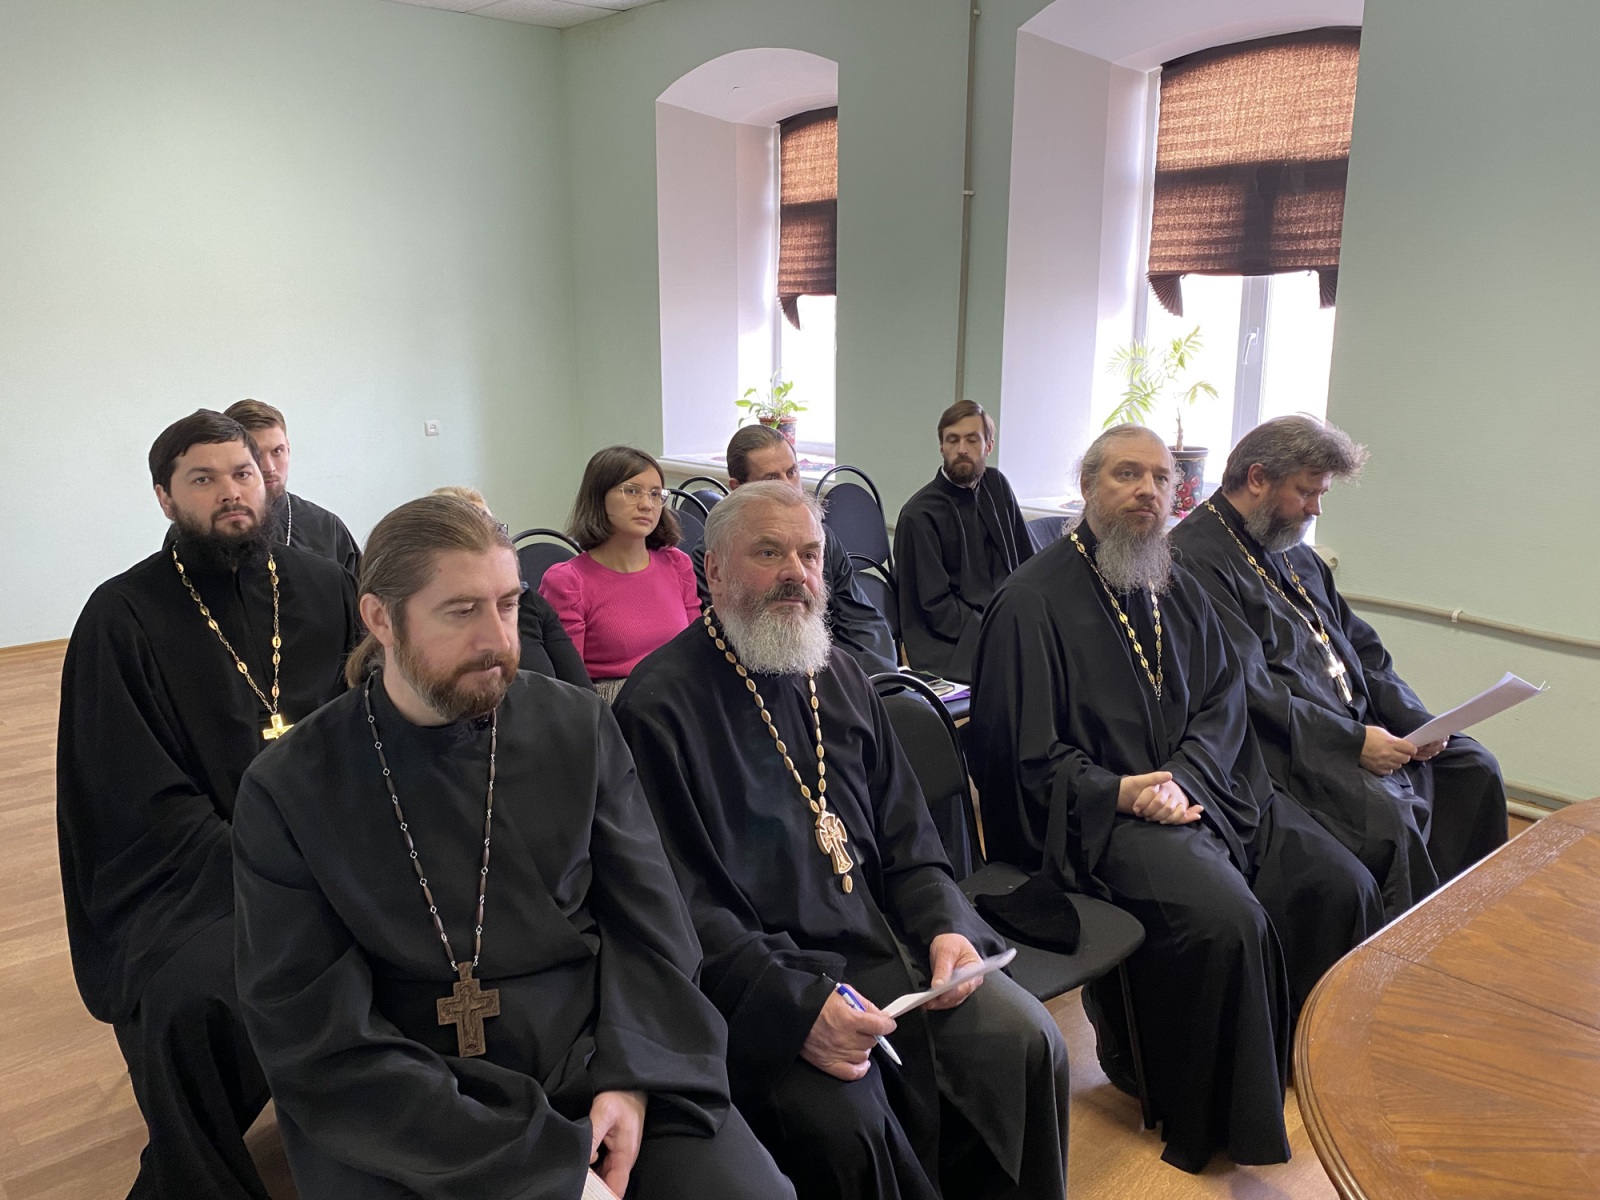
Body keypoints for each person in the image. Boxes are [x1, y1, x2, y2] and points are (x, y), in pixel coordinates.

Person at [232, 495, 793, 1200]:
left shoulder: (576, 724)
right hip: (412, 1106)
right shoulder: (289, 787)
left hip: (597, 1058)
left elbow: (653, 924)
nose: (497, 639)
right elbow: (312, 1030)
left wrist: (633, 1079)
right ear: (380, 619)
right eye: (461, 611)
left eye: (507, 604)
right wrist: (541, 1168)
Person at [613, 482, 1069, 1200]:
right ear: (715, 570)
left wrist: (947, 928)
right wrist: (793, 1008)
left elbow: (912, 839)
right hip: (766, 984)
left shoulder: (842, 674)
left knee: (1026, 1040)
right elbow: (683, 908)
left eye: (810, 554)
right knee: (845, 1127)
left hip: (889, 950)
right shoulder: (658, 705)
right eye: (769, 553)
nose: (796, 573)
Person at [967, 425, 1381, 1174]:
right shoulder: (1030, 602)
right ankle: (1212, 1109)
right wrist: (1122, 792)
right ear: (1088, 486)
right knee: (1227, 921)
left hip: (1209, 786)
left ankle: (1299, 1065)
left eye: (1160, 478)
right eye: (1127, 475)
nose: (1148, 492)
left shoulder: (1175, 582)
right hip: (1101, 818)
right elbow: (1016, 756)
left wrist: (1185, 776)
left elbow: (1225, 700)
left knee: (1339, 881)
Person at [56, 410, 359, 1199]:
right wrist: (269, 871)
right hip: (196, 878)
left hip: (343, 853)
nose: (231, 491)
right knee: (189, 999)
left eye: (243, 473)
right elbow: (134, 794)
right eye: (204, 478)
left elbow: (368, 736)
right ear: (165, 498)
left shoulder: (325, 586)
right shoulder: (121, 616)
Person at [1169, 416, 1508, 919]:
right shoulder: (1193, 558)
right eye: (1307, 492)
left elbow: (1363, 649)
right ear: (1258, 478)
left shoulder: (1292, 551)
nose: (1316, 508)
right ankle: (1404, 952)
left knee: (1474, 767)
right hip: (1286, 744)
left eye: (1321, 493)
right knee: (1388, 818)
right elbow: (1247, 685)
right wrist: (1352, 742)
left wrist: (1416, 720)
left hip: (1359, 724)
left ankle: (1469, 922)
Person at [690, 425, 898, 676]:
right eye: (772, 479)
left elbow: (861, 620)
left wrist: (878, 682)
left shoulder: (820, 539)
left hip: (828, 670)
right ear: (738, 488)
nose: (789, 486)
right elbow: (731, 637)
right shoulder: (717, 553)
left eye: (792, 472)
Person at [539, 446, 700, 702]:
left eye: (655, 494)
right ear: (599, 497)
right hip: (613, 706)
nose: (646, 505)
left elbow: (695, 650)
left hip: (681, 695)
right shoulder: (568, 582)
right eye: (632, 491)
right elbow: (570, 688)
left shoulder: (676, 563)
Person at [894, 400, 1033, 681]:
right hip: (953, 640)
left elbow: (1027, 563)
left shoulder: (997, 486)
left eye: (972, 439)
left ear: (988, 446)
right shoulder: (919, 515)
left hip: (1007, 620)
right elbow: (934, 607)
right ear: (941, 447)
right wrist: (996, 631)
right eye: (952, 440)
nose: (961, 449)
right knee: (1025, 671)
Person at [431, 485, 591, 690]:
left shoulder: (530, 602)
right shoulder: (428, 616)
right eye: (470, 535)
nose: (503, 643)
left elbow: (584, 693)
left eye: (494, 531)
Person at [224, 399, 361, 578]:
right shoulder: (207, 528)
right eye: (255, 454)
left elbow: (359, 592)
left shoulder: (327, 528)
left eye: (277, 451)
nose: (269, 467)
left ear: (288, 449)